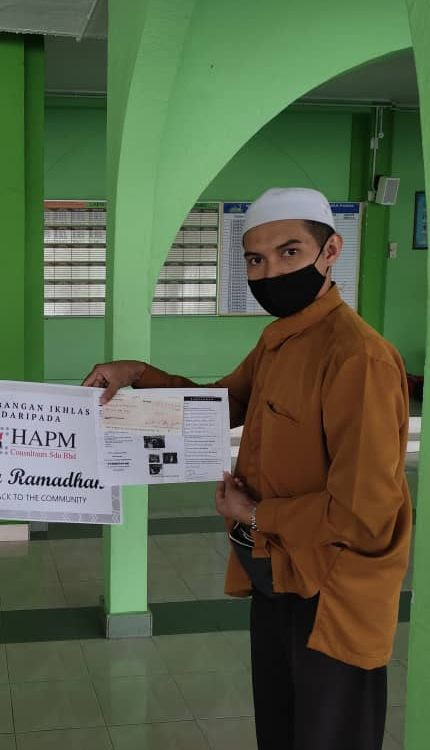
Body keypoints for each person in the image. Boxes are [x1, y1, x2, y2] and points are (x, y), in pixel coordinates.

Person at [83, 187, 411, 750]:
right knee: (281, 729)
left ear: (331, 251)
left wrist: (257, 512)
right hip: (275, 572)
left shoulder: (357, 356)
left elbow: (365, 514)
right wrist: (137, 373)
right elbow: (223, 406)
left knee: (330, 735)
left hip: (332, 592)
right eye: (255, 260)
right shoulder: (280, 340)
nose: (270, 273)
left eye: (289, 252)